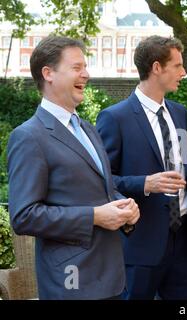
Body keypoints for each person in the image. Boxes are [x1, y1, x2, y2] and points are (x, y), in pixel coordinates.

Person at [96, 35, 187, 300]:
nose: (184, 73)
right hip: (140, 243)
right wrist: (145, 184)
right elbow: (101, 181)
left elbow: (177, 165)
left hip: (181, 239)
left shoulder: (178, 112)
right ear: (157, 67)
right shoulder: (115, 117)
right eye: (178, 66)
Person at [7, 36, 140, 300]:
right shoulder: (28, 136)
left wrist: (123, 205)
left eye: (85, 67)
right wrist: (94, 216)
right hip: (71, 282)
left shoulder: (88, 129)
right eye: (77, 67)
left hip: (111, 278)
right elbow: (23, 216)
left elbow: (101, 188)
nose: (86, 74)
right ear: (49, 74)